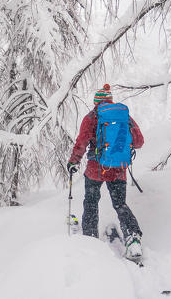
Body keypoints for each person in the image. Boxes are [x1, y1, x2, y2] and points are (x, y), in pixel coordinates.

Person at [66, 84, 145, 260]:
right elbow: (139, 141)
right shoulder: (124, 117)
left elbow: (81, 142)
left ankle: (90, 238)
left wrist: (74, 161)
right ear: (110, 100)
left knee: (91, 202)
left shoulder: (92, 117)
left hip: (96, 169)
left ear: (96, 101)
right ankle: (133, 240)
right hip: (118, 170)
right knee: (120, 205)